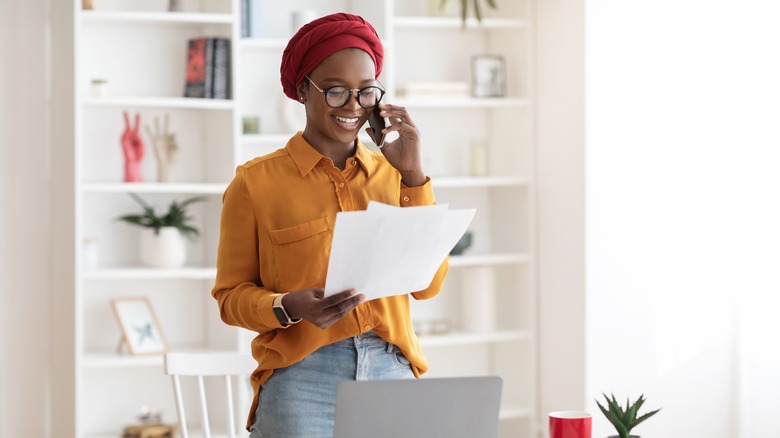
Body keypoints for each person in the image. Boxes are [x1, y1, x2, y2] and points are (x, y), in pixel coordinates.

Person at [211, 12, 449, 438]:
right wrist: (288, 305)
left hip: (390, 368)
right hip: (303, 379)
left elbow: (427, 285)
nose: (354, 107)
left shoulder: (395, 173)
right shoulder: (255, 183)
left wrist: (413, 176)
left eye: (366, 92)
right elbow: (230, 299)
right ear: (304, 90)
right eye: (337, 91)